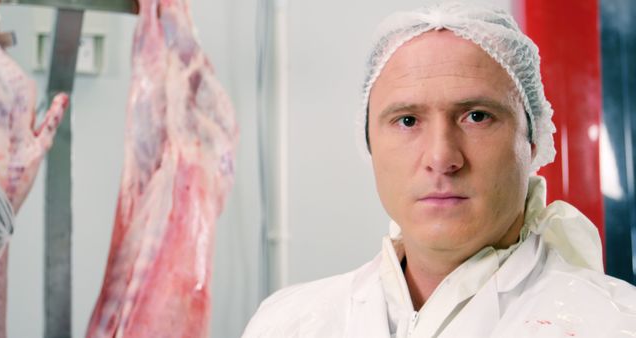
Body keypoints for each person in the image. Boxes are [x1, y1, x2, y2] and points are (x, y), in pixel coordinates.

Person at [243, 2, 636, 337]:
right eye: (408, 121)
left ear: (532, 142)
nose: (441, 156)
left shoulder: (613, 324)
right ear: (370, 144)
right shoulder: (289, 323)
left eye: (477, 116)